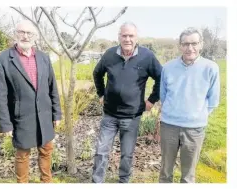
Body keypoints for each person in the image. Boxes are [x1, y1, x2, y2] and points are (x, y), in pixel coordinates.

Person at [92, 22, 162, 183]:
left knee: (126, 154)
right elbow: (97, 73)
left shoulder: (147, 56)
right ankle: (97, 182)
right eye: (124, 35)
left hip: (131, 117)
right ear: (119, 37)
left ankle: (123, 182)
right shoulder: (109, 54)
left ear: (136, 38)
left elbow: (161, 78)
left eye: (131, 36)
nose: (127, 39)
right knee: (101, 151)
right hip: (109, 115)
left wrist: (152, 100)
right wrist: (101, 93)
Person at [0, 20, 62, 183]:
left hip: (44, 115)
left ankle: (47, 182)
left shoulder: (44, 58)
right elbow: (0, 95)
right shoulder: (3, 59)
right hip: (21, 117)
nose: (25, 36)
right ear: (15, 34)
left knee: (46, 150)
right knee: (22, 155)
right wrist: (5, 123)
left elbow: (52, 87)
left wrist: (56, 113)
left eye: (29, 33)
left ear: (35, 36)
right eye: (21, 32)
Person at [159, 27, 220, 183]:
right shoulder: (168, 67)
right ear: (180, 46)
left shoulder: (211, 68)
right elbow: (163, 96)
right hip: (169, 126)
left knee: (188, 176)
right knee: (165, 172)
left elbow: (213, 101)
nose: (190, 48)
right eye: (185, 44)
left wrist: (196, 116)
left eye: (194, 43)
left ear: (201, 44)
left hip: (194, 129)